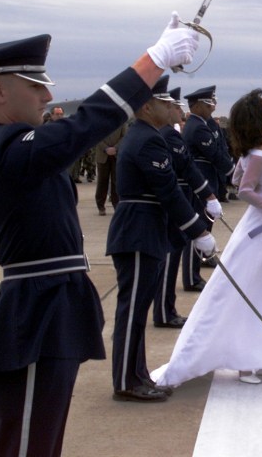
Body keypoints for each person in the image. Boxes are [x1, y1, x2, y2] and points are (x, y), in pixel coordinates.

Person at [0, 13, 199, 456]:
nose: (47, 95)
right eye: (35, 86)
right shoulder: (3, 149)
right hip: (35, 312)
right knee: (28, 445)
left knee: (42, 441)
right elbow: (86, 123)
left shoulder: (14, 147)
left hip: (52, 304)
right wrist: (152, 61)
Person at [155, 89, 262, 387]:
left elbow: (235, 178)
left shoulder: (259, 147)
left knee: (260, 291)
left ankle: (252, 355)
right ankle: (246, 363)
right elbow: (244, 190)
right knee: (250, 292)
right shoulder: (261, 150)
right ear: (259, 117)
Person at [106, 75, 217, 402]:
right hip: (138, 231)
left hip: (144, 228)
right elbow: (167, 190)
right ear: (146, 106)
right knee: (133, 310)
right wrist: (198, 230)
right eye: (164, 103)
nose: (171, 107)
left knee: (138, 309)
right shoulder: (149, 139)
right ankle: (127, 381)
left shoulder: (148, 136)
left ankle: (136, 374)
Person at [154, 86, 221, 329]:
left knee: (173, 256)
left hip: (181, 197)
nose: (178, 110)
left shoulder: (169, 134)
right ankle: (163, 311)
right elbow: (183, 170)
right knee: (170, 257)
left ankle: (166, 309)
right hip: (174, 202)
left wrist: (209, 195)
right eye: (173, 106)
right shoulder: (168, 135)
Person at [181, 85, 234, 291]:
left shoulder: (206, 124)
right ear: (197, 105)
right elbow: (213, 153)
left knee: (206, 227)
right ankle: (191, 277)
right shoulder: (197, 127)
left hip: (209, 180)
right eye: (209, 102)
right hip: (200, 184)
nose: (213, 105)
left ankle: (202, 261)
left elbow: (221, 148)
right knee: (197, 229)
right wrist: (233, 172)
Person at [94, 123, 126, 215]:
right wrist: (106, 148)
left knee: (116, 181)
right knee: (102, 181)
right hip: (103, 155)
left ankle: (117, 205)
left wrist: (115, 148)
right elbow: (97, 137)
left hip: (117, 155)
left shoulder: (121, 121)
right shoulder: (100, 121)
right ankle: (101, 206)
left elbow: (124, 136)